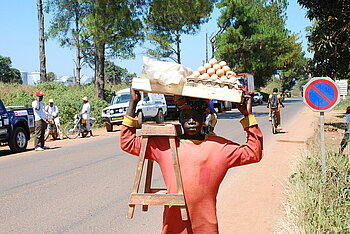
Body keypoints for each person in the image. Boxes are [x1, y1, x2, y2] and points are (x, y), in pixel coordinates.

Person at [120, 89, 263, 233]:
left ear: (204, 118)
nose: (191, 121)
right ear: (180, 118)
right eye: (186, 116)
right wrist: (133, 103)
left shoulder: (220, 147)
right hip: (173, 228)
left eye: (197, 116)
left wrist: (248, 115)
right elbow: (128, 142)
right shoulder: (165, 145)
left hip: (206, 227)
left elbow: (254, 153)